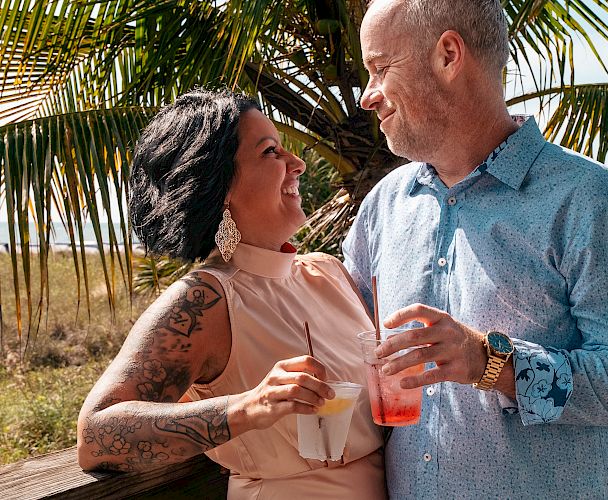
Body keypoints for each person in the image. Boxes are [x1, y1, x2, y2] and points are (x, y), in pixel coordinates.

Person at [343, 0, 608, 498]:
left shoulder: (588, 200)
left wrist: (491, 362)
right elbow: (340, 341)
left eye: (379, 69)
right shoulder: (383, 207)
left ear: (449, 55)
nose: (367, 96)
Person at [77, 89, 387, 499]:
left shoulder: (326, 272)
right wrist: (250, 406)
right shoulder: (204, 300)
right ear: (219, 185)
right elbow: (97, 437)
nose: (299, 163)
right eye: (271, 153)